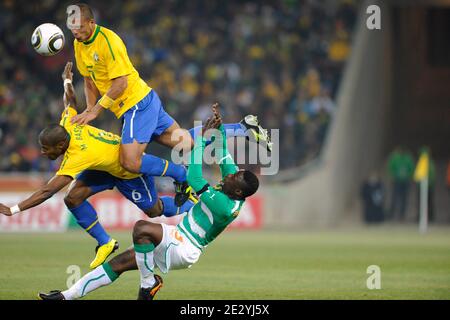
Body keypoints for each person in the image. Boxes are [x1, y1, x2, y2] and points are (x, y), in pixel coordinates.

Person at [38, 103, 260, 300]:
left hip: (185, 247)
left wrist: (201, 139)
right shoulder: (235, 184)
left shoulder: (226, 206)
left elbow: (194, 178)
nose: (229, 175)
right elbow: (221, 151)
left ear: (239, 191)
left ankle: (148, 283)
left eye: (233, 177)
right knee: (119, 263)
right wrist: (218, 128)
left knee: (141, 229)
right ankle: (65, 296)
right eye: (233, 173)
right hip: (176, 237)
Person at [66, 3, 272, 204]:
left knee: (129, 161)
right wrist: (89, 109)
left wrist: (96, 111)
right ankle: (243, 127)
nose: (76, 32)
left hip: (136, 104)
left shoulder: (109, 41)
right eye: (72, 28)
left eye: (80, 27)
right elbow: (89, 79)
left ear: (91, 23)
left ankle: (179, 174)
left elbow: (121, 82)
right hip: (143, 102)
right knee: (185, 143)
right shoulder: (79, 44)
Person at [0, 62, 196, 269]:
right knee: (72, 198)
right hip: (103, 167)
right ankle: (106, 242)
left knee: (154, 211)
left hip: (128, 170)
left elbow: (48, 191)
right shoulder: (70, 122)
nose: (42, 152)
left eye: (46, 149)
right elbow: (70, 101)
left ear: (60, 145)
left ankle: (195, 204)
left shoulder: (77, 156)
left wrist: (14, 209)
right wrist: (66, 80)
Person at [386, 146, 414, 221]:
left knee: (404, 199)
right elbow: (390, 167)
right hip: (397, 181)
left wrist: (408, 176)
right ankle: (392, 214)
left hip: (405, 181)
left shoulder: (408, 158)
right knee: (395, 198)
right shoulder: (395, 158)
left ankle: (402, 215)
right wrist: (394, 175)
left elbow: (411, 168)